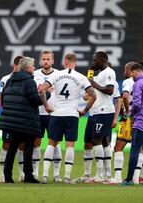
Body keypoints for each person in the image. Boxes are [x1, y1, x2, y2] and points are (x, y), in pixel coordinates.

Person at [41, 53, 96, 184]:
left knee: (51, 143)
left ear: (65, 62)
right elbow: (93, 95)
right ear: (75, 63)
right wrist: (85, 111)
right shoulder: (81, 77)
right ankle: (66, 177)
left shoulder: (56, 75)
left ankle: (44, 176)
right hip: (72, 114)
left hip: (56, 114)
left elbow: (41, 89)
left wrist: (47, 105)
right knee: (70, 145)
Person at [0, 57, 50, 183]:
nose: (35, 68)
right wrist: (47, 94)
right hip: (26, 121)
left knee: (12, 147)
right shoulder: (29, 81)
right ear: (27, 68)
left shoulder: (10, 80)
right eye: (33, 66)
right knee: (28, 147)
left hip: (11, 121)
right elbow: (36, 100)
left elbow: (3, 100)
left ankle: (7, 176)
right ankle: (28, 175)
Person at [74, 52, 117, 183]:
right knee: (93, 141)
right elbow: (94, 95)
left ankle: (101, 175)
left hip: (104, 112)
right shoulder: (99, 75)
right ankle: (102, 175)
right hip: (94, 112)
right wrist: (85, 110)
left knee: (98, 140)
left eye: (94, 60)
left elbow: (110, 90)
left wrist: (94, 83)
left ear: (101, 60)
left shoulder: (109, 72)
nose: (92, 62)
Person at [33, 50, 60, 181]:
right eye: (44, 59)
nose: (46, 61)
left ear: (53, 61)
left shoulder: (59, 75)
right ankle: (35, 172)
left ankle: (56, 174)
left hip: (54, 114)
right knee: (36, 142)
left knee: (55, 142)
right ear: (41, 60)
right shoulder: (34, 74)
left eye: (48, 59)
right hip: (38, 113)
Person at [0, 55, 26, 183]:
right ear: (16, 65)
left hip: (22, 118)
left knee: (22, 145)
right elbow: (3, 99)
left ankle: (22, 173)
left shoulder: (27, 79)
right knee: (6, 145)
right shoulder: (5, 79)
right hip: (10, 117)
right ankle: (2, 174)